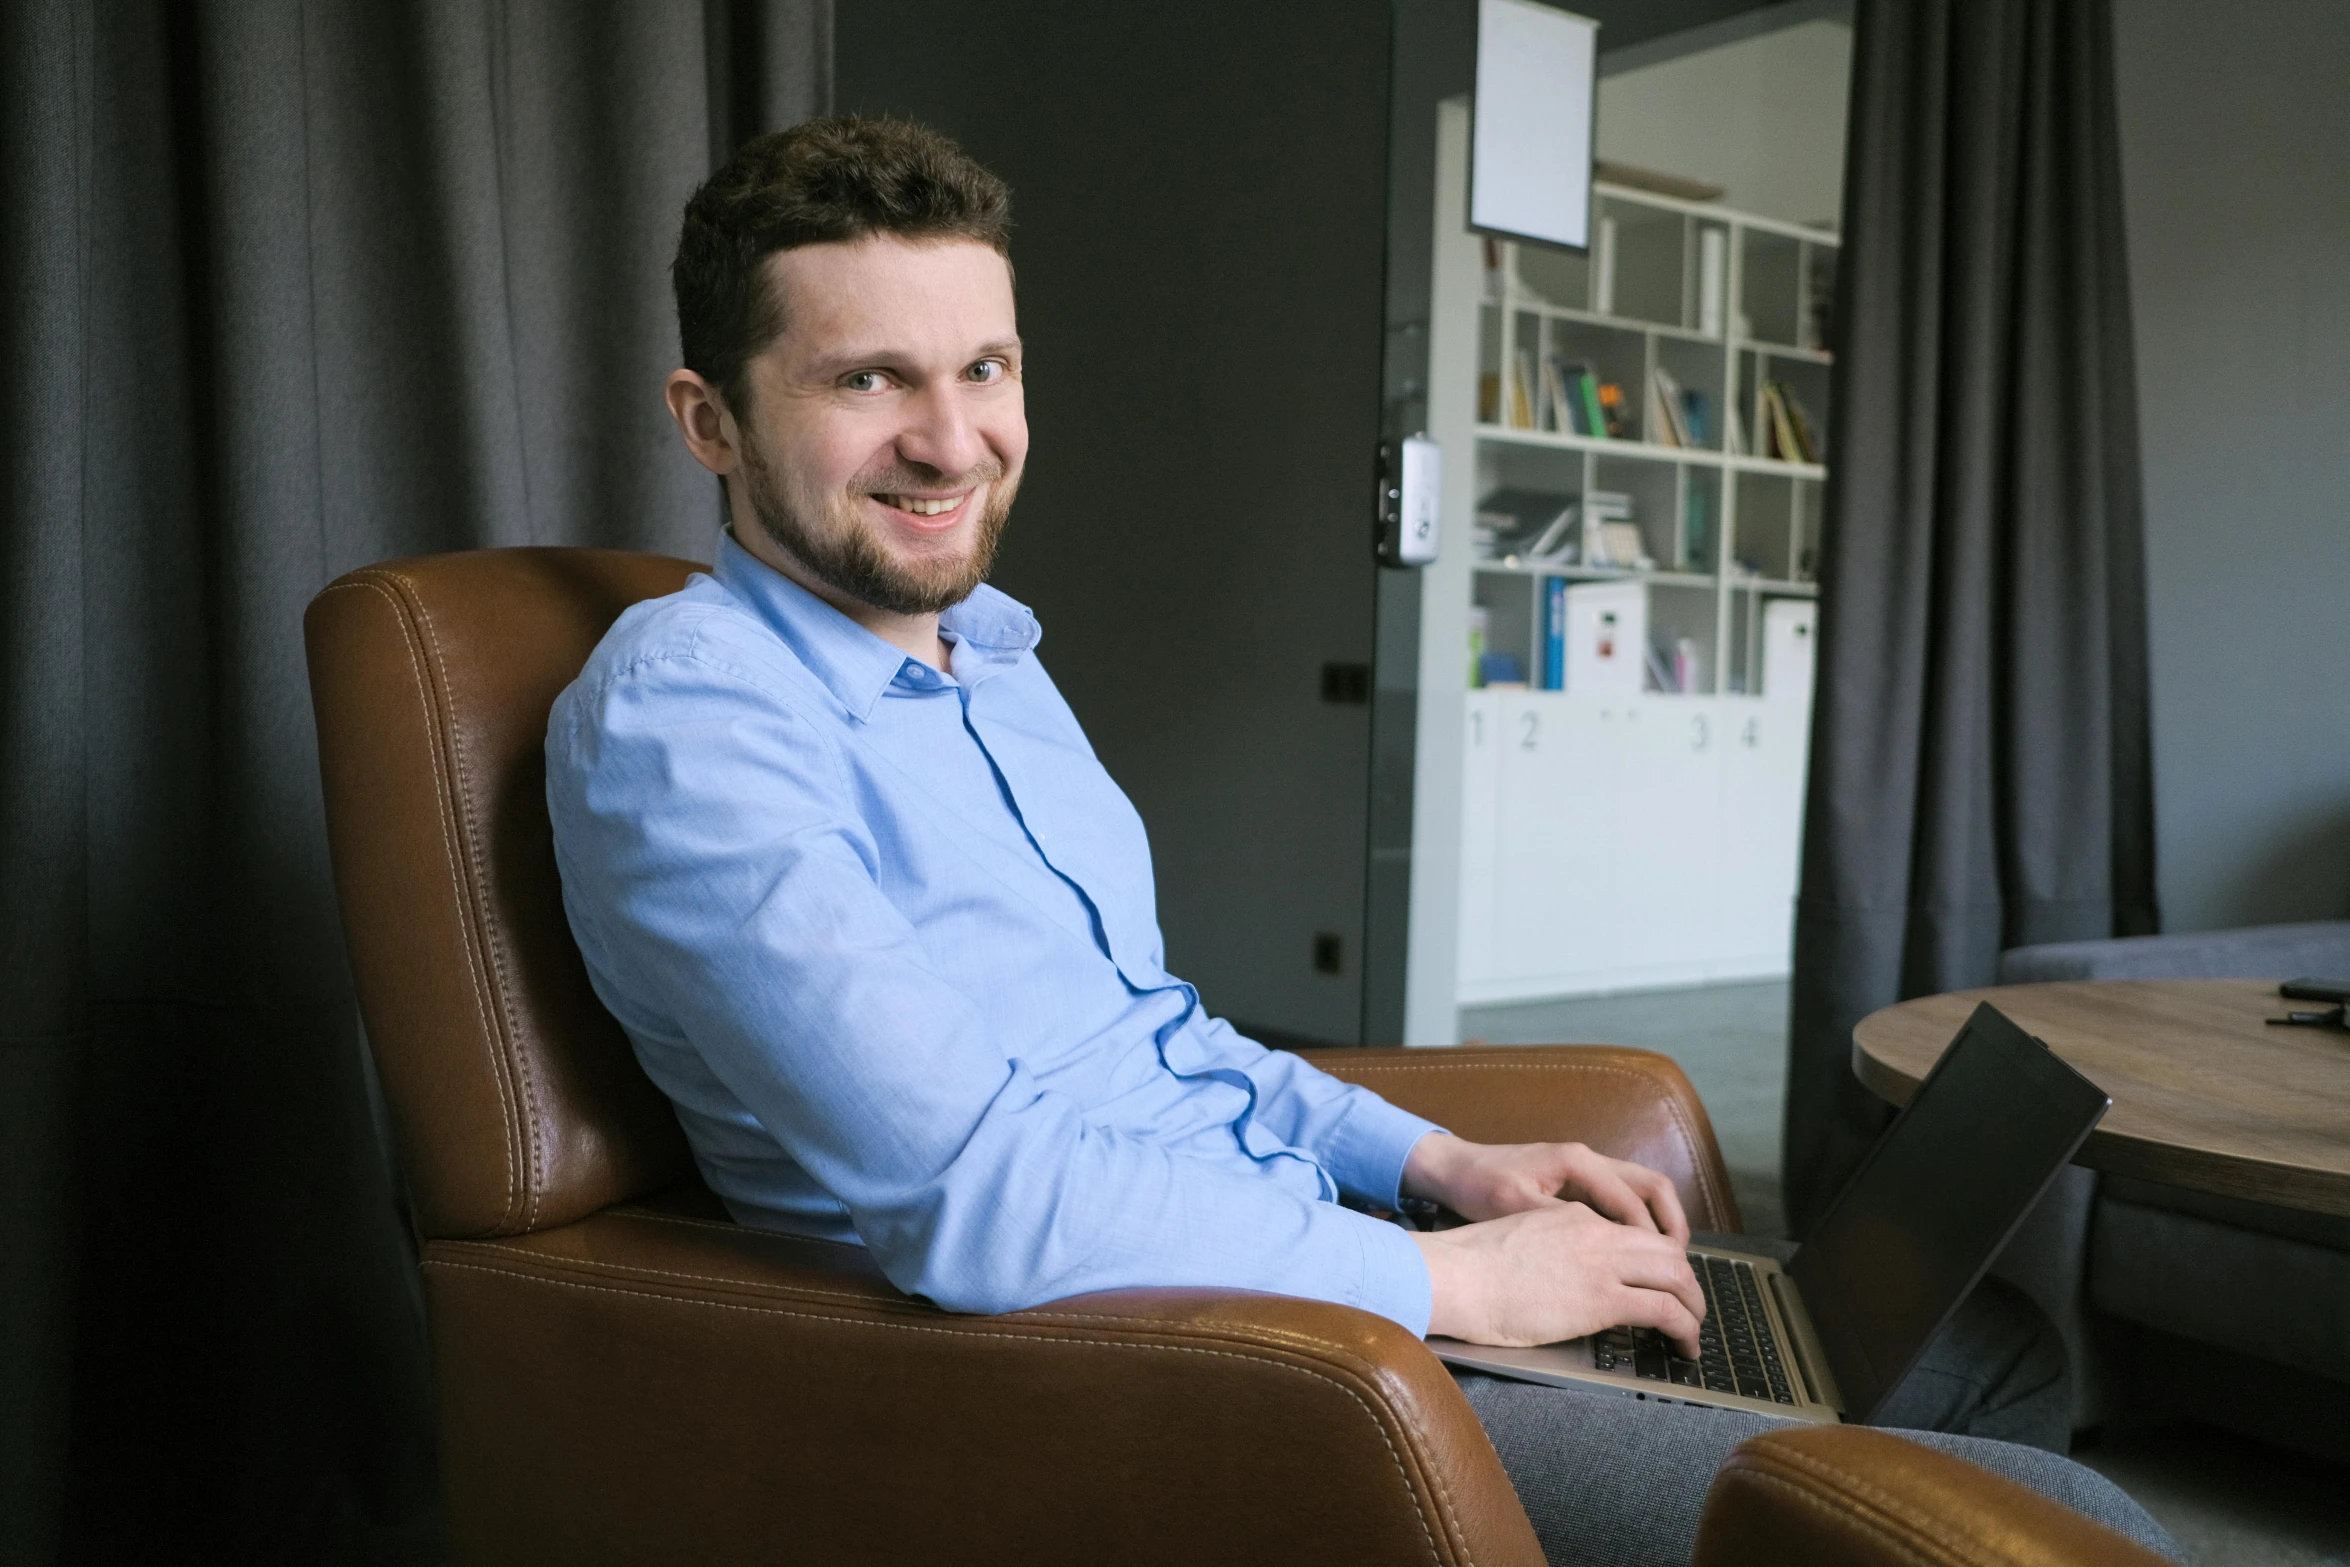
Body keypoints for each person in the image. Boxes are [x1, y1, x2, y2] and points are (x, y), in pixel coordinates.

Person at [545, 115, 2173, 1566]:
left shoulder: (993, 660)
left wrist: (1436, 1167)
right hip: (1155, 1362)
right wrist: (1462, 1286)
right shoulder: (692, 720)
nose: (952, 439)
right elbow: (977, 1196)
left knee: (1986, 1349)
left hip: (1301, 1268)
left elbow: (1152, 1031)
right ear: (709, 422)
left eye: (985, 367)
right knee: (2057, 1529)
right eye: (866, 378)